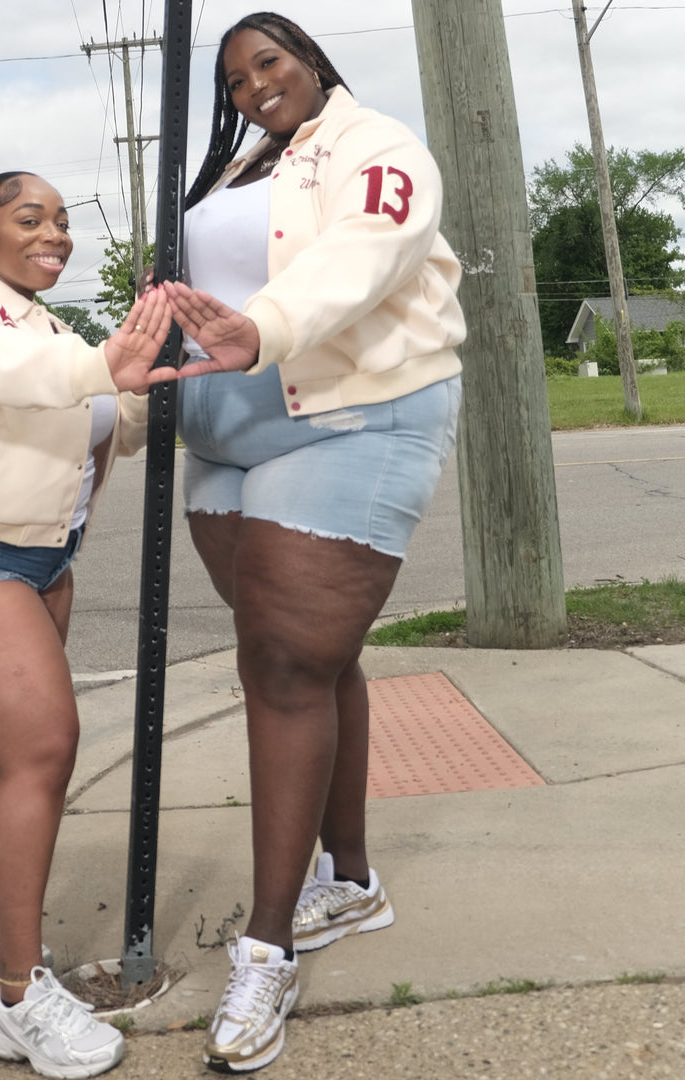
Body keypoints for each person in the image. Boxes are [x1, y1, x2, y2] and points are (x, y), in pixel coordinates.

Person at [160, 13, 466, 1073]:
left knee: (286, 666)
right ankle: (354, 879)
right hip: (226, 430)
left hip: (349, 407)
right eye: (237, 79)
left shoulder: (373, 147)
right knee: (308, 659)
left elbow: (366, 256)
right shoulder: (240, 165)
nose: (253, 87)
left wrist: (268, 326)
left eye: (270, 63)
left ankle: (267, 944)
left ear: (312, 64)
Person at [0, 171, 178, 1079]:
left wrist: (156, 360)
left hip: (41, 565)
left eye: (60, 222)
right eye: (29, 219)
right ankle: (16, 997)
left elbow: (112, 420)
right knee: (43, 749)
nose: (53, 234)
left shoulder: (54, 331)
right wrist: (104, 365)